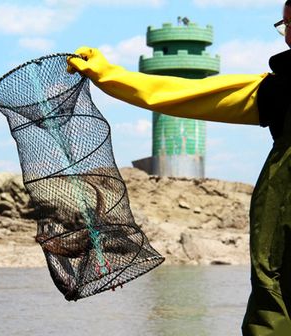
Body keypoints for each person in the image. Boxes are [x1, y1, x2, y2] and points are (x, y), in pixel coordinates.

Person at [67, 1, 291, 334]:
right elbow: (183, 92)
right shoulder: (279, 89)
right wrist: (110, 75)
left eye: (289, 26)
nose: (285, 38)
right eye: (283, 26)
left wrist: (110, 75)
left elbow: (184, 94)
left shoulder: (282, 90)